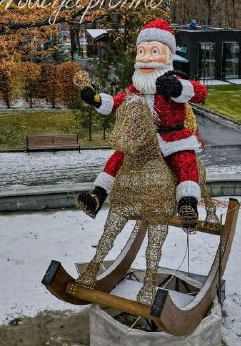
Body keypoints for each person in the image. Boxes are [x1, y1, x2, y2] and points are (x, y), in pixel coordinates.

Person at [77, 19, 207, 227]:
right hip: (142, 141)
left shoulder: (174, 84)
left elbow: (200, 92)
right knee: (118, 157)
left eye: (154, 52)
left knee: (185, 161)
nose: (146, 59)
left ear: (168, 55)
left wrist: (177, 88)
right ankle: (97, 196)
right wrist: (97, 100)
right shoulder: (136, 88)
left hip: (172, 139)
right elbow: (116, 102)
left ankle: (188, 203)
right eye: (141, 52)